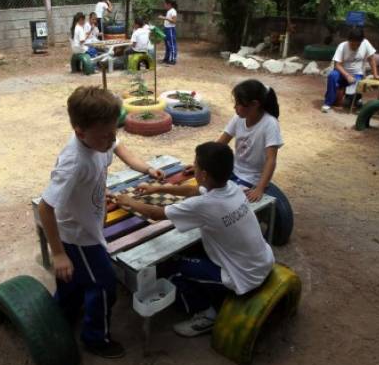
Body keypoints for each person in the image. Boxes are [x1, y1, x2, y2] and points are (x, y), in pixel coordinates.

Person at [38, 86, 165, 358]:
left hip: (90, 223)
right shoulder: (73, 163)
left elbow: (122, 149)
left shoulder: (102, 139)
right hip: (79, 236)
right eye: (106, 134)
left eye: (114, 131)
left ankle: (62, 313)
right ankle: (95, 338)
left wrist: (146, 168)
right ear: (79, 131)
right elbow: (46, 208)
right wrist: (58, 254)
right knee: (104, 285)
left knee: (72, 280)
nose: (112, 139)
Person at [114, 142, 274, 337]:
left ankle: (207, 315)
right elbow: (193, 190)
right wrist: (157, 189)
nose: (193, 166)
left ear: (204, 174)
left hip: (245, 277)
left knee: (172, 270)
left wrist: (128, 201)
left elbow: (155, 214)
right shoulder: (230, 187)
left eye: (195, 164)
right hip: (262, 261)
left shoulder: (206, 205)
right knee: (192, 251)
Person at [217, 80, 283, 203]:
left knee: (222, 200)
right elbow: (220, 144)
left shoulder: (270, 124)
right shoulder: (238, 118)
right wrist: (201, 164)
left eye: (238, 103)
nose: (234, 107)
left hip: (252, 179)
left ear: (254, 104)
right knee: (205, 183)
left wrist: (259, 188)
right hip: (233, 170)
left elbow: (271, 160)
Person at [321, 28, 379, 113]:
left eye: (358, 45)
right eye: (352, 44)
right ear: (348, 40)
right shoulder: (342, 46)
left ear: (362, 41)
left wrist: (375, 75)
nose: (355, 47)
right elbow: (337, 65)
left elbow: (372, 59)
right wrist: (347, 75)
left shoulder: (366, 43)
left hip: (357, 74)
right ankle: (328, 103)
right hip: (342, 74)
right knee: (332, 75)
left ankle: (355, 100)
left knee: (352, 97)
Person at [158, 0, 178, 65]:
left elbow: (174, 21)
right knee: (167, 44)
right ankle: (167, 58)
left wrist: (164, 18)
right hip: (166, 29)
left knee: (172, 44)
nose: (164, 5)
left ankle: (173, 59)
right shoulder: (169, 11)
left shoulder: (173, 11)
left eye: (165, 4)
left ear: (169, 4)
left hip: (170, 29)